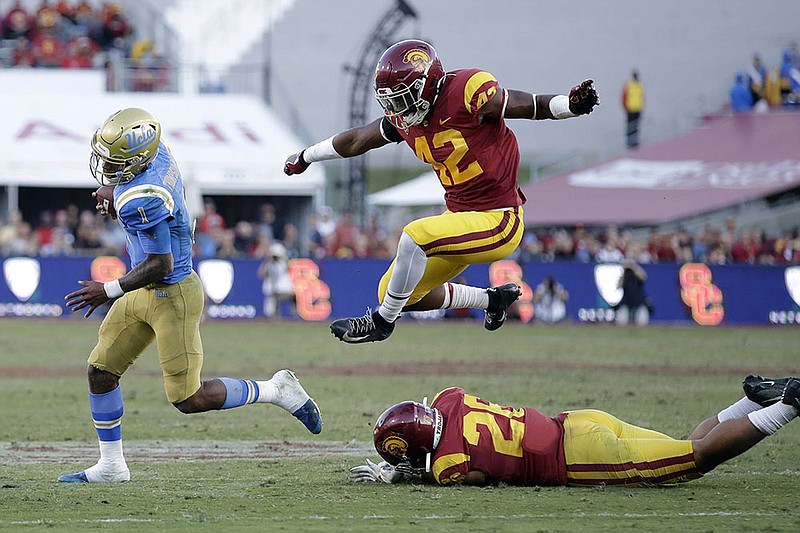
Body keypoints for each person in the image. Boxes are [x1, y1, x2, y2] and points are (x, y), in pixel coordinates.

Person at [58, 108, 322, 483]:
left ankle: (276, 390)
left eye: (116, 163)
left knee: (188, 399)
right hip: (143, 291)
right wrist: (117, 195)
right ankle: (112, 466)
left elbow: (161, 263)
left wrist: (108, 289)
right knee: (100, 373)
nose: (106, 168)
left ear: (136, 161)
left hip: (172, 294)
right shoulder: (157, 152)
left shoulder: (142, 197)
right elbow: (145, 200)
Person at [284, 39, 598, 344]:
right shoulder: (406, 118)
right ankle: (491, 300)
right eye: (391, 99)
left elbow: (532, 105)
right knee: (393, 292)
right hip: (460, 218)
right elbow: (356, 140)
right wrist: (305, 156)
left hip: (499, 220)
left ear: (427, 83)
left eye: (403, 96)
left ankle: (381, 324)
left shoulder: (466, 92)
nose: (398, 107)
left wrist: (570, 106)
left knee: (414, 236)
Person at [349, 375, 800, 487]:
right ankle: (755, 400)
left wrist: (402, 474)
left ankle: (789, 406)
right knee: (687, 443)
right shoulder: (450, 398)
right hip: (578, 421)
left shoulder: (448, 465)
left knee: (696, 461)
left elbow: (466, 477)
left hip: (579, 459)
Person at [615, 259, 650, 326]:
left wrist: (634, 267)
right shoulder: (625, 276)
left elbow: (644, 277)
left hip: (639, 302)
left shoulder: (637, 275)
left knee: (641, 322)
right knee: (622, 322)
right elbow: (618, 286)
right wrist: (625, 270)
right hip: (626, 302)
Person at [621, 69, 644, 149]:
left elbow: (641, 97)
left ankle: (635, 142)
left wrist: (641, 107)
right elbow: (624, 97)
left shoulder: (639, 85)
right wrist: (626, 108)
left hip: (637, 109)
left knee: (636, 126)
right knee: (630, 126)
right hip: (630, 109)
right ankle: (629, 143)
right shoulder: (629, 85)